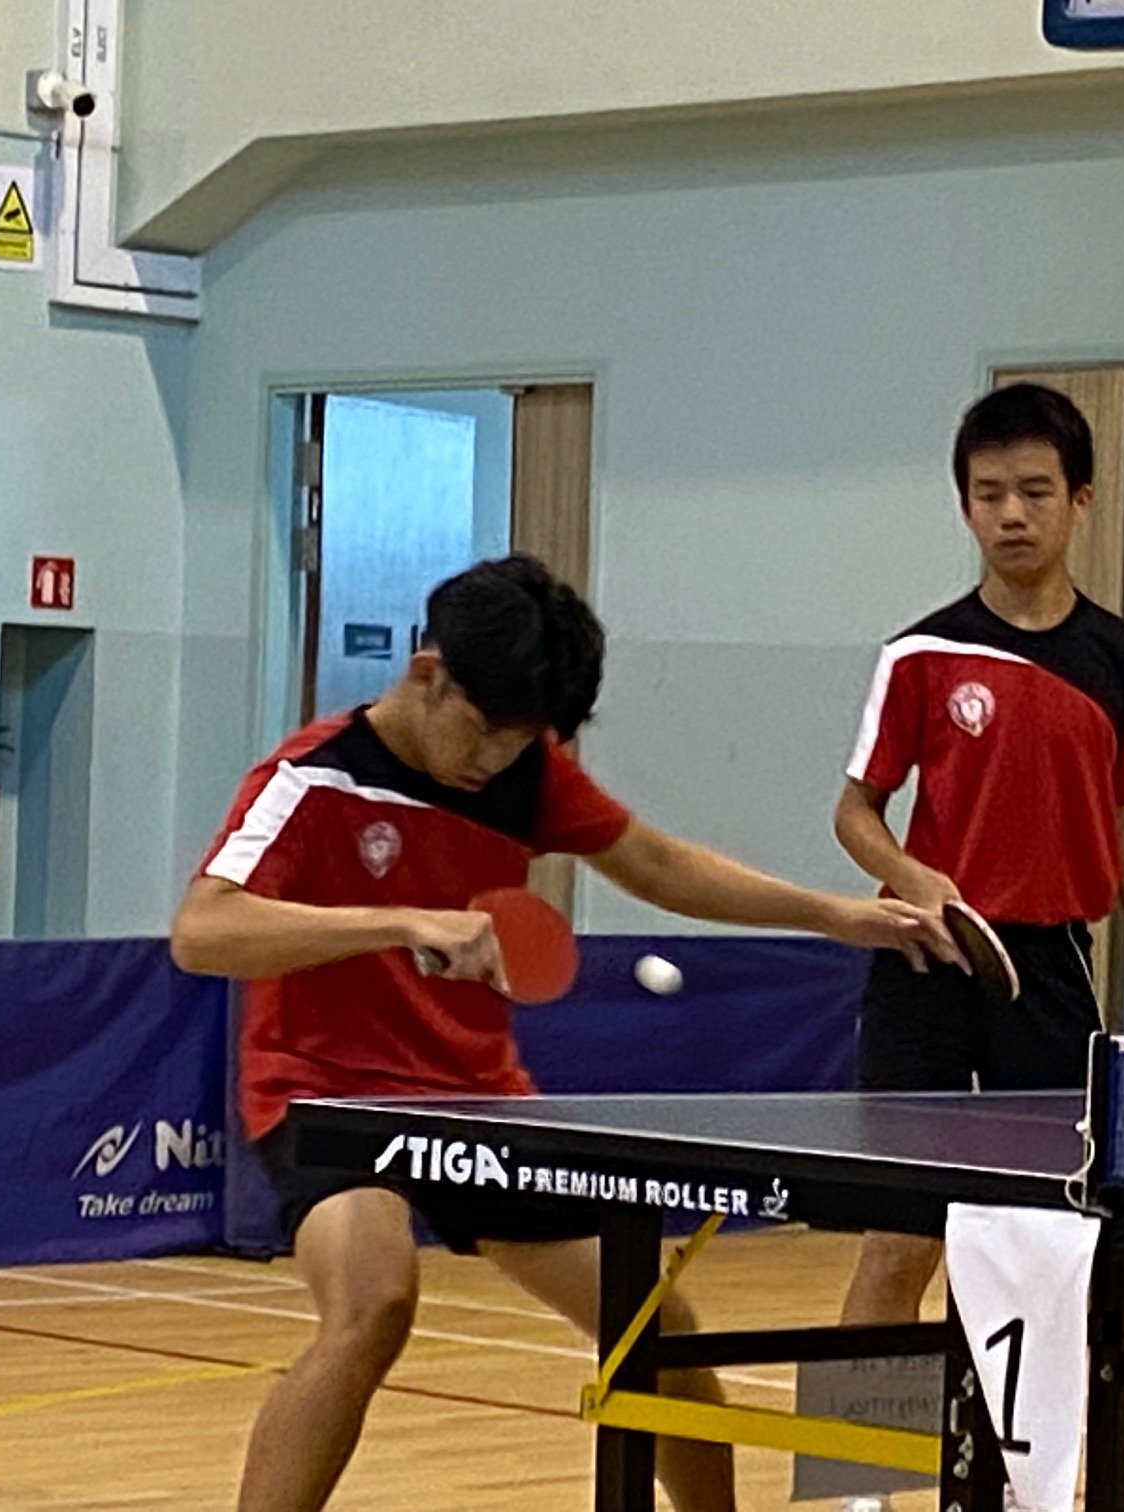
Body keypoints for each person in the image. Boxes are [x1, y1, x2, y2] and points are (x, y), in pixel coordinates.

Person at [171, 553, 957, 1512]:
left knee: (649, 1323)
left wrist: (833, 915)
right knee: (375, 1303)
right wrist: (400, 922)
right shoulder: (309, 780)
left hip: (474, 1099)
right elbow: (202, 932)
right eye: (488, 729)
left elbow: (658, 864)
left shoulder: (527, 774)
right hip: (324, 1098)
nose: (498, 757)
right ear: (429, 675)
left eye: (522, 738)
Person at [833, 383, 1124, 1385]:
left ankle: (1015, 1479)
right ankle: (859, 1485)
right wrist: (913, 876)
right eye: (989, 494)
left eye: (1034, 491)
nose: (1011, 514)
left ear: (1081, 501)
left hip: (1053, 970)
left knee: (1034, 1245)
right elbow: (855, 811)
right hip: (925, 963)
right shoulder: (921, 655)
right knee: (900, 1240)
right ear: (964, 505)